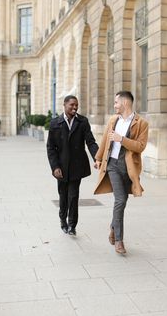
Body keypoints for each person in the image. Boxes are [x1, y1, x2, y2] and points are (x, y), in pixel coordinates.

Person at [94, 91, 148, 254]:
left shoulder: (141, 123)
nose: (114, 105)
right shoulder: (113, 120)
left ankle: (113, 226)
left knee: (122, 200)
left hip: (129, 167)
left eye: (116, 102)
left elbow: (140, 146)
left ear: (125, 103)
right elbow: (105, 139)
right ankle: (119, 240)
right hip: (113, 165)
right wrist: (98, 158)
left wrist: (121, 139)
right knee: (120, 200)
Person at [47, 95, 98, 235]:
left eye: (77, 105)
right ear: (64, 105)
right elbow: (51, 148)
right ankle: (63, 221)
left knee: (74, 196)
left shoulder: (82, 122)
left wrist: (97, 158)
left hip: (77, 166)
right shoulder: (55, 123)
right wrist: (55, 167)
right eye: (72, 105)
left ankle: (72, 226)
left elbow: (91, 142)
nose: (75, 107)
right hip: (61, 168)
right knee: (63, 196)